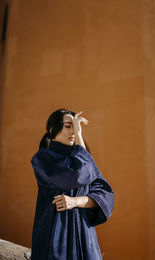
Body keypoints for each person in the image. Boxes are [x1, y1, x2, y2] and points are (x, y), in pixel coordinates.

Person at [31, 108, 114, 260]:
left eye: (76, 127)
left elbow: (105, 193)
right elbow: (76, 175)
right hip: (55, 235)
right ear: (52, 130)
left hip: (85, 235)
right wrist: (80, 145)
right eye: (68, 126)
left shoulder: (84, 159)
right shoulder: (42, 159)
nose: (73, 132)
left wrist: (75, 201)